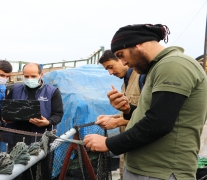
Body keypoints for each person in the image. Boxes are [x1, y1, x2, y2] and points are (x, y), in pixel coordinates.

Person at [83, 24, 207, 179]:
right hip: (145, 171)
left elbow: (158, 123)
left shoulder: (173, 64)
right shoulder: (158, 67)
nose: (123, 63)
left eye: (121, 54)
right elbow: (158, 113)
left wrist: (108, 143)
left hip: (160, 172)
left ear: (138, 44)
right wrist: (128, 110)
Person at [97, 50, 145, 180]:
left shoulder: (142, 77)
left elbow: (152, 118)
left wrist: (118, 122)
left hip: (144, 155)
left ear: (122, 59)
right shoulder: (126, 81)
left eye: (111, 67)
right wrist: (111, 118)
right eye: (107, 69)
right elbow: (134, 112)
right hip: (129, 149)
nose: (110, 73)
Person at [4, 63, 64, 134]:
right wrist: (5, 117)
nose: (29, 79)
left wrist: (48, 122)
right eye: (26, 76)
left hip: (40, 136)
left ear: (41, 75)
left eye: (33, 76)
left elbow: (58, 114)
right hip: (16, 134)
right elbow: (6, 108)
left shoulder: (52, 92)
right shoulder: (15, 89)